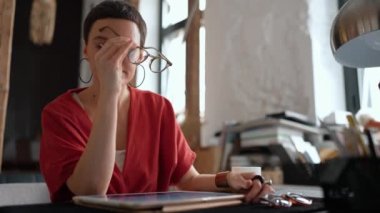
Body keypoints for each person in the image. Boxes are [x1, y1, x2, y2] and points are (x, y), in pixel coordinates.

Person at [40, 0, 273, 203]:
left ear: (141, 56)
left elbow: (188, 179)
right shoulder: (59, 115)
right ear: (87, 50)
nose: (115, 59)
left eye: (127, 50)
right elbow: (90, 190)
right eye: (102, 46)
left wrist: (227, 179)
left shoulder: (158, 109)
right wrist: (111, 93)